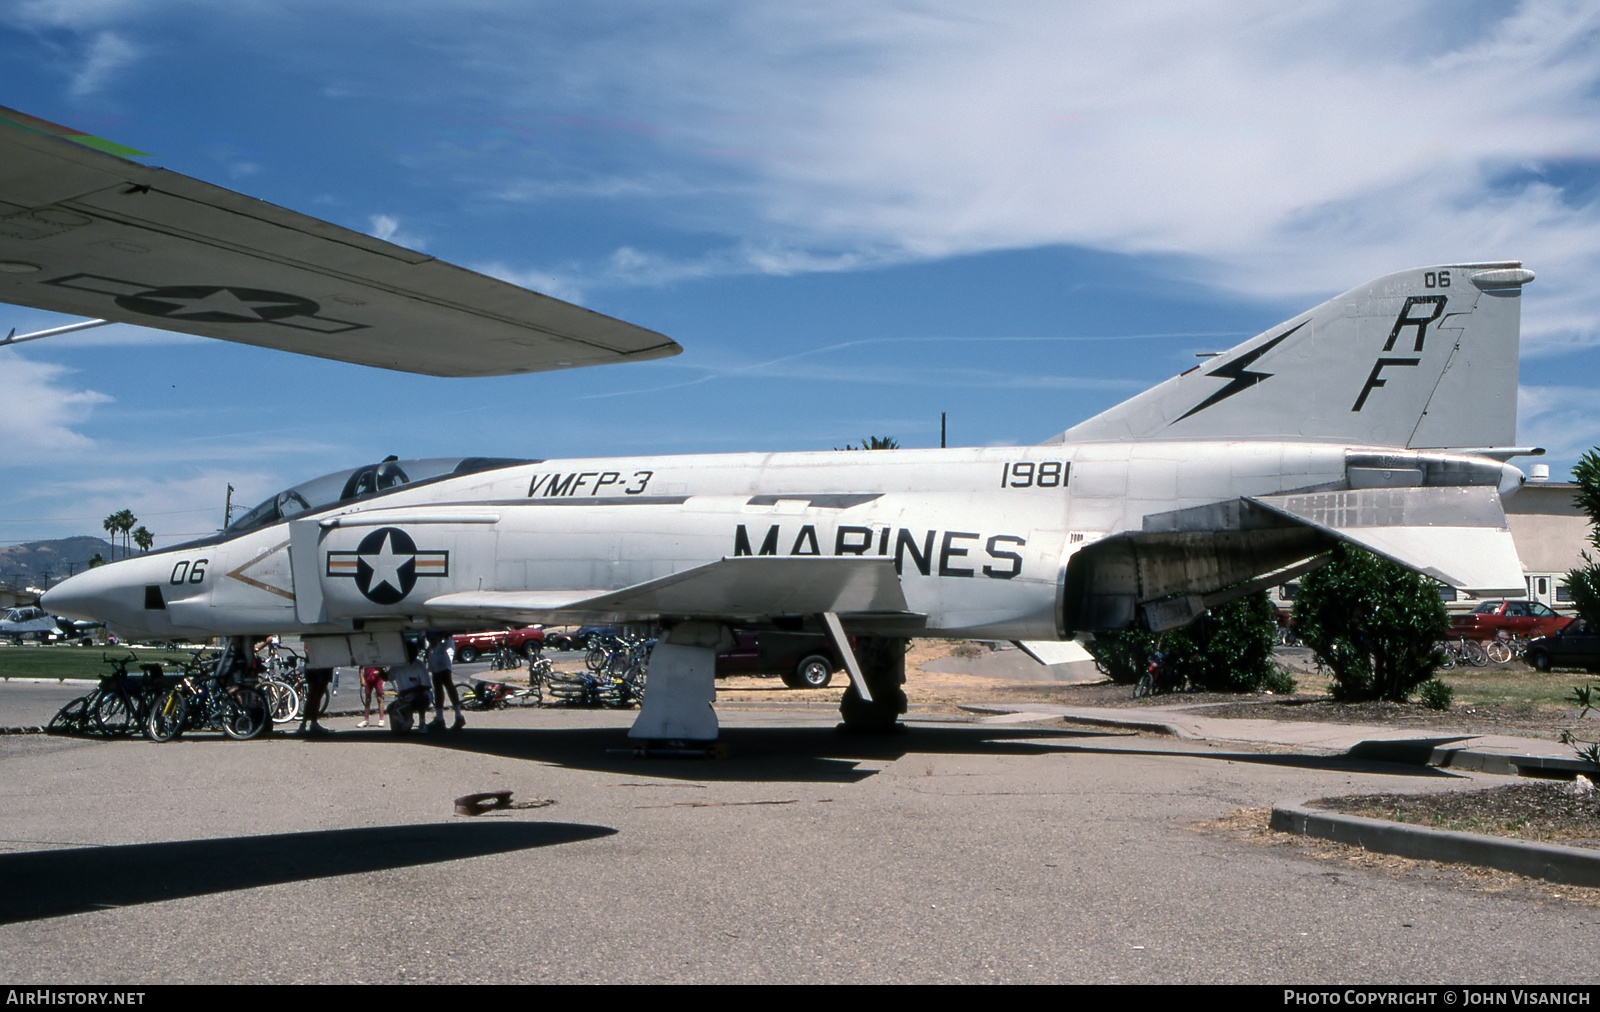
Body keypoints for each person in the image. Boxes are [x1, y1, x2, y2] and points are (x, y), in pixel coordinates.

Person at [426, 632, 464, 731]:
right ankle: (439, 717)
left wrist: (439, 637)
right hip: (435, 645)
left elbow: (448, 629)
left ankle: (458, 715)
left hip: (442, 644)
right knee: (437, 683)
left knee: (446, 680)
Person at [299, 665, 333, 737]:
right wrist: (312, 661)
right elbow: (307, 653)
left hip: (326, 666)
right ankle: (303, 724)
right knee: (312, 695)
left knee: (319, 696)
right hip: (313, 666)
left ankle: (314, 723)